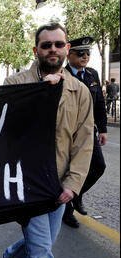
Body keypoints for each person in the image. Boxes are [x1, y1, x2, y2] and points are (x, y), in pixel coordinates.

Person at [2, 23, 93, 258]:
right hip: (27, 184)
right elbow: (5, 132)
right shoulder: (14, 85)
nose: (52, 49)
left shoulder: (80, 91)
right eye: (46, 45)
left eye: (58, 44)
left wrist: (72, 185)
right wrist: (42, 93)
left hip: (59, 186)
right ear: (36, 50)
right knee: (42, 252)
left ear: (66, 48)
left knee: (45, 243)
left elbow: (84, 142)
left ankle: (11, 257)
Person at [63, 36, 107, 228]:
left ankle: (75, 195)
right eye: (80, 53)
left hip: (88, 132)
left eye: (88, 53)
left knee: (98, 166)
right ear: (69, 54)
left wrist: (103, 129)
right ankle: (66, 210)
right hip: (67, 134)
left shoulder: (92, 74)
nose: (85, 56)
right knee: (67, 171)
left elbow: (99, 103)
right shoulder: (61, 75)